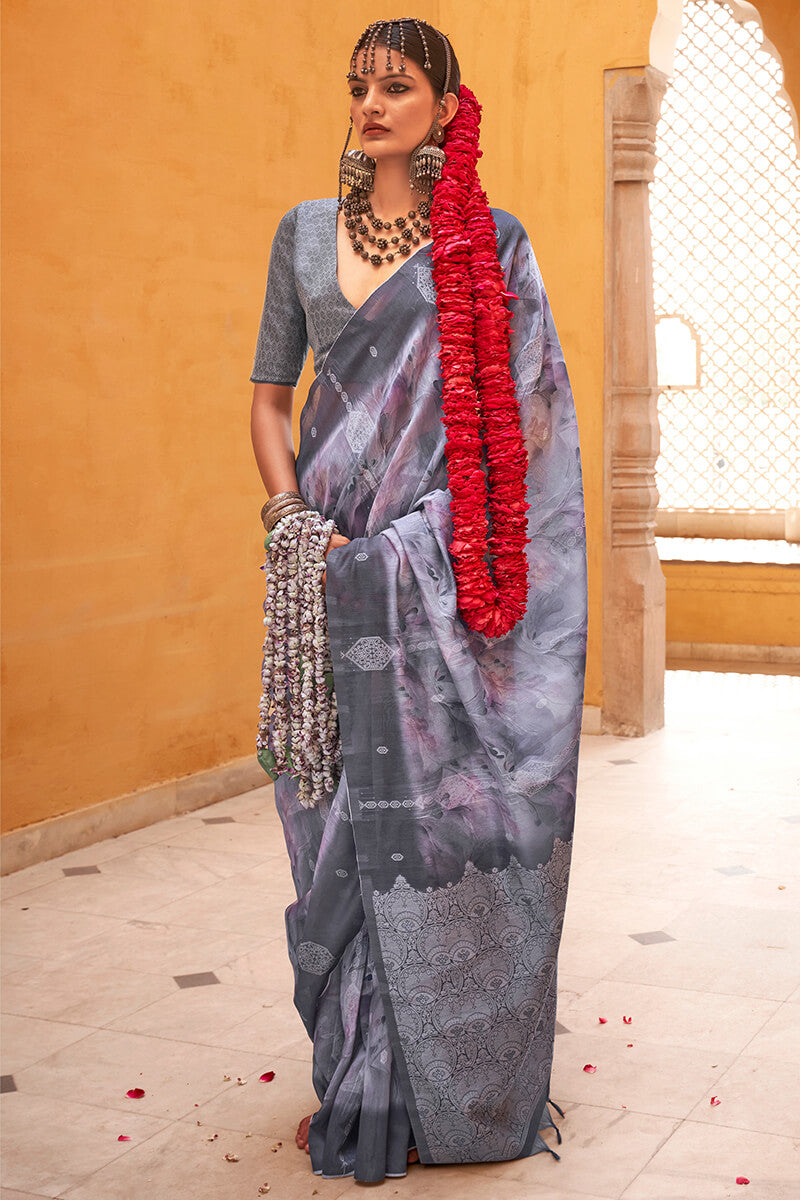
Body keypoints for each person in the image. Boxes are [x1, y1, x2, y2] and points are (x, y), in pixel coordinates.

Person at [249, 16, 588, 1184]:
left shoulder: (490, 244)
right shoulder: (303, 236)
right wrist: (291, 522)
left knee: (454, 814)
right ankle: (360, 1070)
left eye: (395, 86)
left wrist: (408, 549)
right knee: (333, 818)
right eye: (358, 85)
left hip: (435, 582)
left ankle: (454, 1085)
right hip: (323, 578)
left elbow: (528, 438)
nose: (370, 103)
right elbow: (267, 400)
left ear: (445, 107)